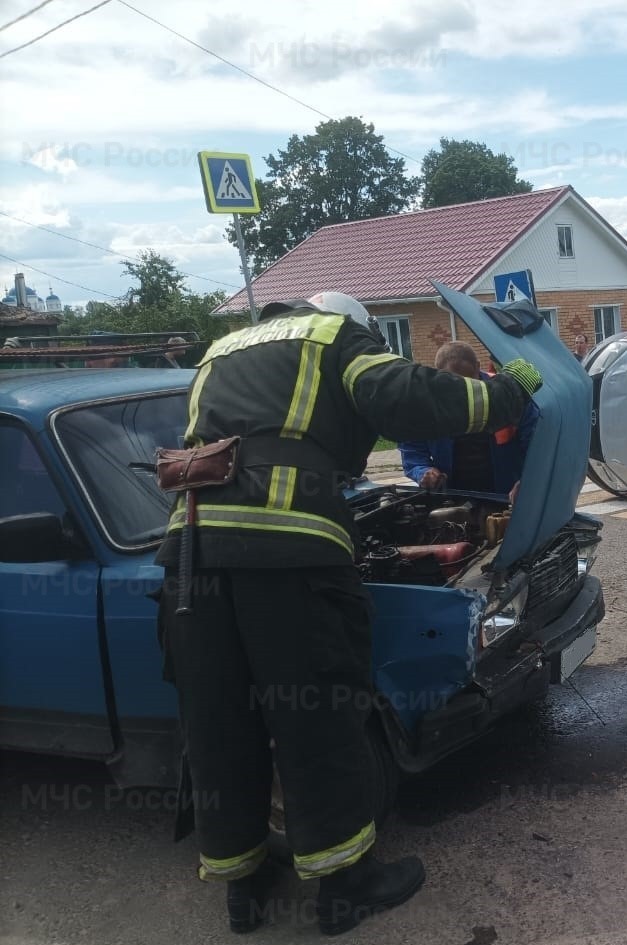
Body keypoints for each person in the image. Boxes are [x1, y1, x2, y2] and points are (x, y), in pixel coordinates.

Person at [154, 291, 542, 935]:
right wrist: (516, 387)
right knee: (318, 719)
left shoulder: (219, 351)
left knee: (219, 723)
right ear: (352, 322)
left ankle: (242, 888)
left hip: (192, 561)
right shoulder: (336, 338)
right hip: (288, 562)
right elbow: (423, 397)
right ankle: (343, 888)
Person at [398, 342, 539, 502]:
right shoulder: (426, 405)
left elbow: (537, 447)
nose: (463, 391)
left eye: (469, 381)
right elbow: (412, 451)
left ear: (478, 367)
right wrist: (423, 471)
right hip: (452, 500)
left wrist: (527, 481)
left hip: (506, 499)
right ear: (439, 374)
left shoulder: (508, 398)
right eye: (454, 383)